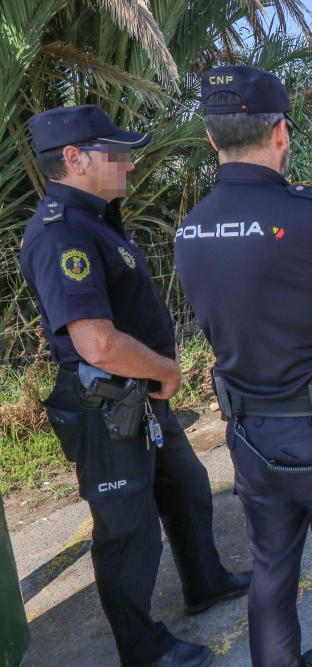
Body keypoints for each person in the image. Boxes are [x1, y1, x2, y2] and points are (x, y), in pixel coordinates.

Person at [174, 65, 312, 667]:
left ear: (211, 139)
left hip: (249, 437)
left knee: (271, 575)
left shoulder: (189, 232)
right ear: (280, 133)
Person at [19, 105, 250, 667]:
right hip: (107, 404)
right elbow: (95, 342)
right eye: (114, 151)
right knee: (127, 531)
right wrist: (168, 371)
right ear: (73, 159)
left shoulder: (97, 218)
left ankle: (206, 581)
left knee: (188, 489)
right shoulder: (61, 233)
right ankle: (143, 650)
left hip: (139, 397)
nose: (128, 160)